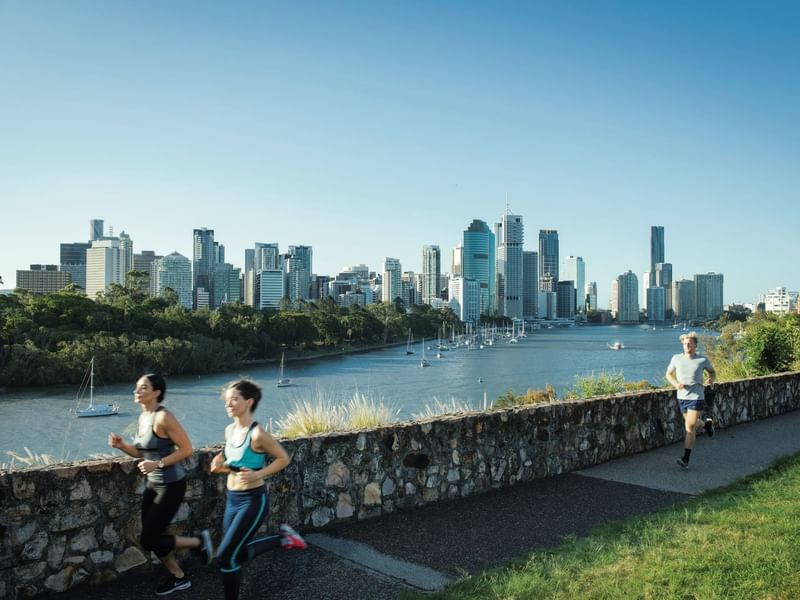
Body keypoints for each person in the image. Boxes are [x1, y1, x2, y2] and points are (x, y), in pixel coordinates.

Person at [109, 373, 213, 596]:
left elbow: (186, 449)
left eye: (143, 387)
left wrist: (158, 464)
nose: (137, 391)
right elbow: (141, 451)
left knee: (149, 539)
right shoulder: (143, 416)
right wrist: (122, 446)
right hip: (153, 485)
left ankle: (197, 542)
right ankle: (179, 577)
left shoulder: (163, 417)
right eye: (137, 387)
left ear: (156, 392)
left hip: (171, 484)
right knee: (150, 536)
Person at [209, 379, 307, 600]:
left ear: (249, 402)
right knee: (236, 552)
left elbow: (284, 458)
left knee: (226, 555)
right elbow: (231, 462)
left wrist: (258, 474)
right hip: (232, 498)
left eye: (235, 399)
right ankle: (283, 538)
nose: (229, 404)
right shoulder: (229, 430)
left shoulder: (257, 434)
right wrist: (219, 464)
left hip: (253, 500)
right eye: (227, 400)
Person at [665, 331, 717, 469]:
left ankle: (685, 459)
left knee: (690, 426)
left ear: (695, 345)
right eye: (685, 343)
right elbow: (668, 374)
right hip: (682, 397)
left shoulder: (702, 360)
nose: (687, 345)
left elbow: (712, 372)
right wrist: (676, 384)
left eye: (690, 343)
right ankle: (706, 425)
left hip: (697, 396)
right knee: (692, 424)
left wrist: (711, 379)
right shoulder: (676, 358)